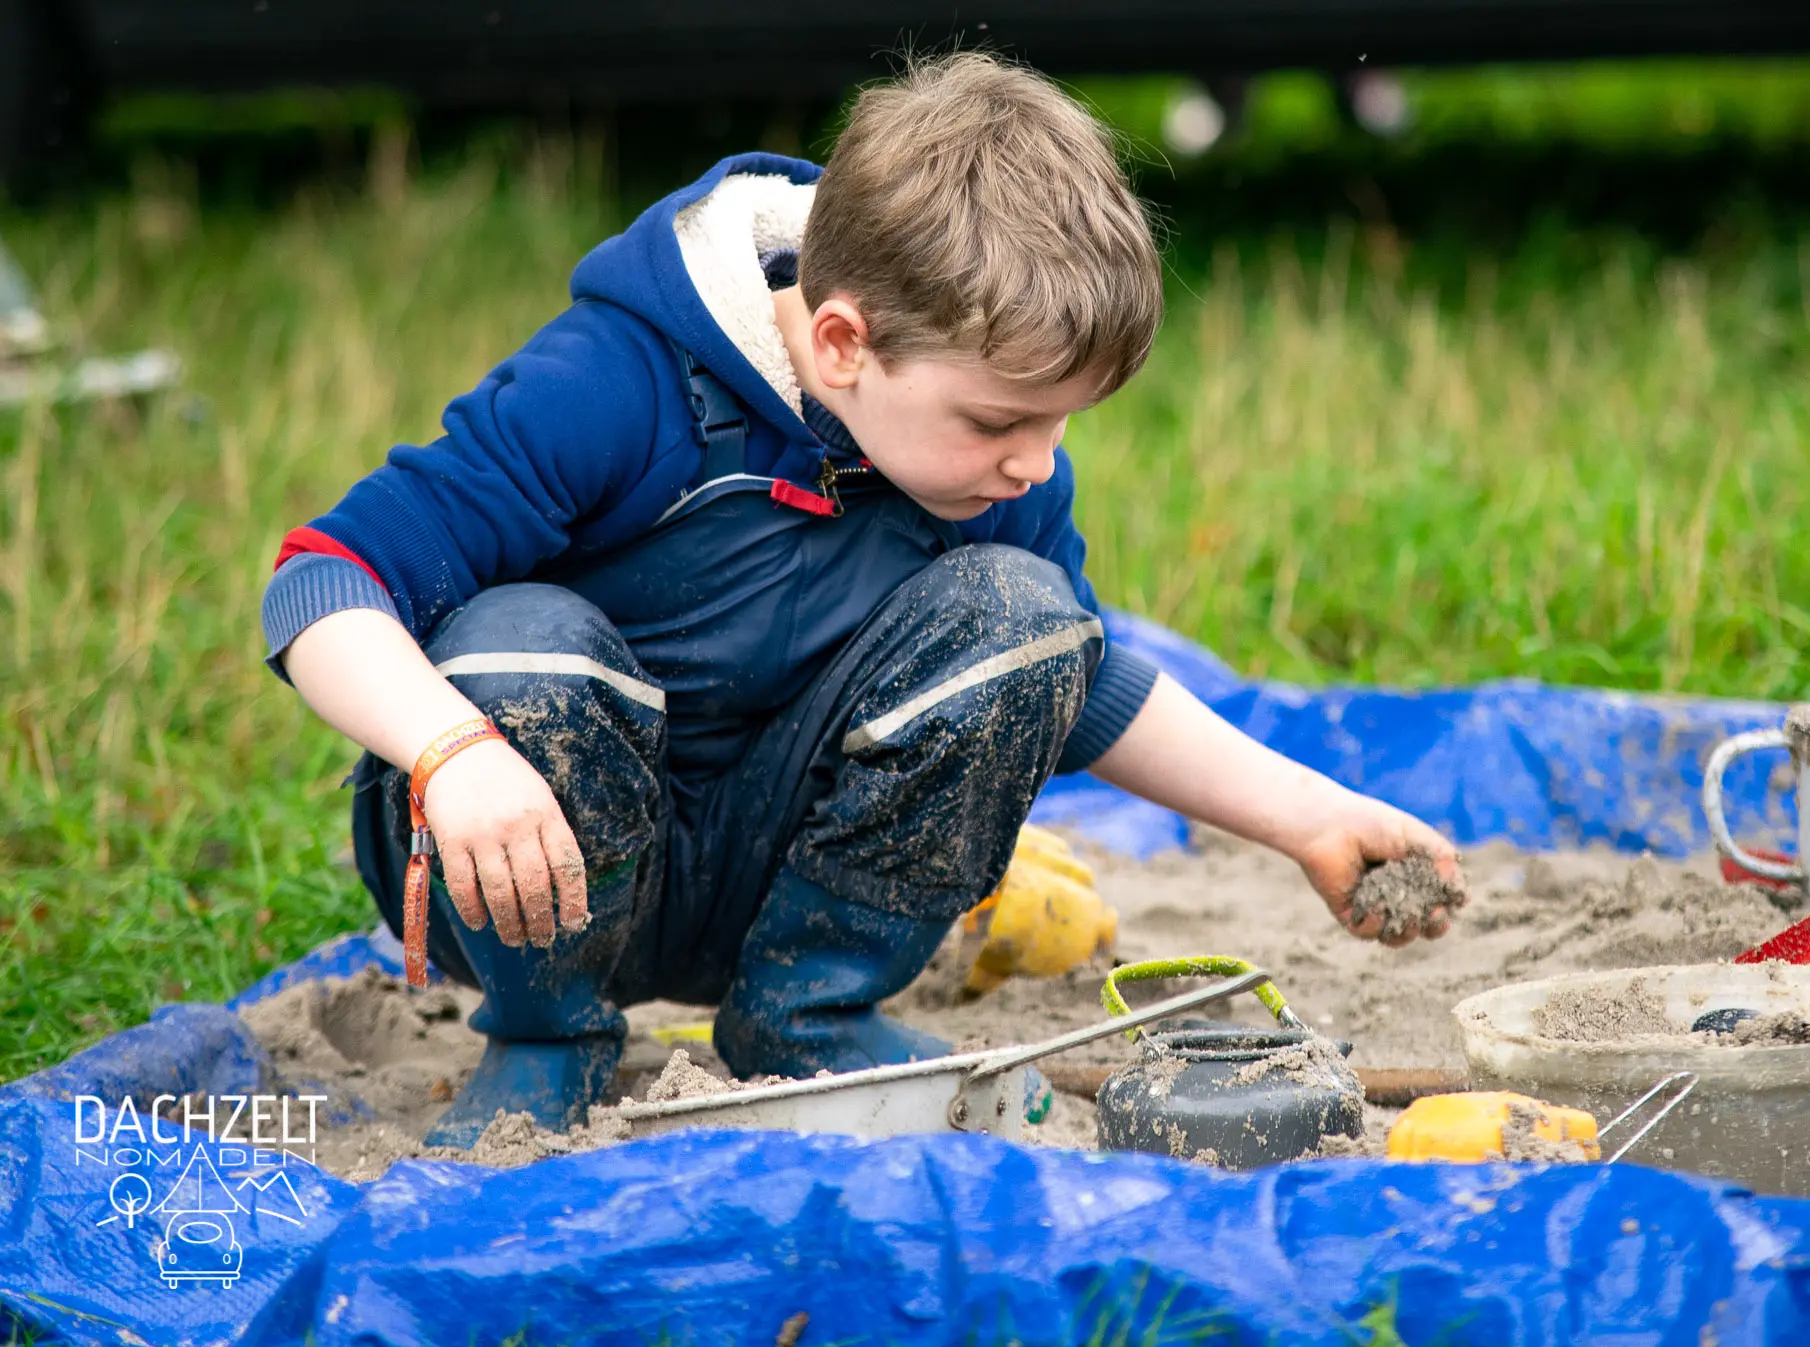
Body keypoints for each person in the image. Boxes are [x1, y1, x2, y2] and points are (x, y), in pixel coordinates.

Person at [262, 52, 1463, 1148]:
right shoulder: (611, 385)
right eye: (998, 420)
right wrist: (452, 750)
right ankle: (544, 1040)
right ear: (842, 344)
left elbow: (1081, 684)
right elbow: (321, 580)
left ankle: (806, 1012)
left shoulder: (993, 470)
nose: (1034, 461)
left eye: (1059, 423)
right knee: (524, 647)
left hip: (773, 874)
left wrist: (1308, 816)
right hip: (522, 859)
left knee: (1026, 615)